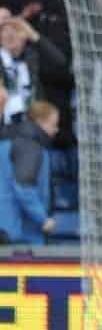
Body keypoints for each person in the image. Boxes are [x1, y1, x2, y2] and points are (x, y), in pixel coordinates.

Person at [0, 100, 58, 244]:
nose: (56, 130)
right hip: (19, 234)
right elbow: (24, 187)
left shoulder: (11, 140)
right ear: (40, 122)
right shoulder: (29, 145)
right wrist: (43, 219)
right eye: (53, 125)